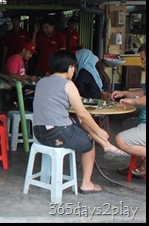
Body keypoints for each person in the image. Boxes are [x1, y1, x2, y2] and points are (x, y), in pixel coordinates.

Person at [32, 50, 129, 194]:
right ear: (71, 67)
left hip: (39, 133)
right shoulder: (68, 84)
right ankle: (87, 183)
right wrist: (98, 130)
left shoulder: (42, 81)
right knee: (89, 143)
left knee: (77, 122)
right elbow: (83, 113)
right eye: (74, 67)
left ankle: (107, 145)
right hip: (58, 133)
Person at [113, 43, 146, 177]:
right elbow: (143, 92)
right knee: (127, 123)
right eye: (142, 60)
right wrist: (123, 93)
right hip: (143, 120)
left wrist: (133, 101)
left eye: (144, 60)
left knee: (120, 140)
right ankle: (137, 162)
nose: (143, 63)